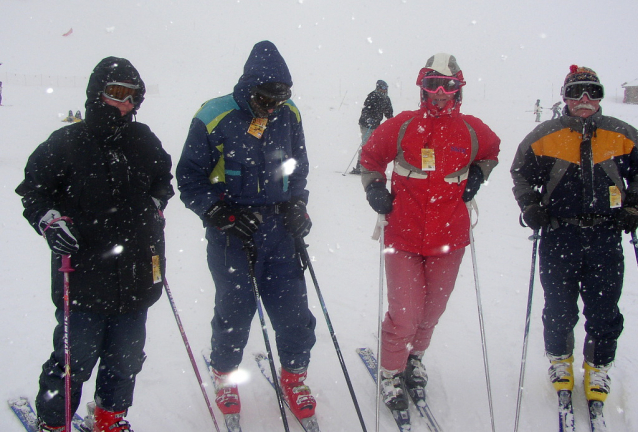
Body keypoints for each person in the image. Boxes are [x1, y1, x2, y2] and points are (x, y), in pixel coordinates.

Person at [16, 56, 174, 432]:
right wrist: (49, 221)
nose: (125, 104)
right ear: (96, 93)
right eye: (117, 93)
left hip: (137, 273)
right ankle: (55, 422)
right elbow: (34, 193)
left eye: (133, 97)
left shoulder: (144, 139)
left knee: (126, 358)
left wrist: (156, 201)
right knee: (75, 358)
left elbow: (163, 179)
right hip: (84, 277)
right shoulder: (67, 143)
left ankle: (109, 416)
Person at [176, 41, 317, 425]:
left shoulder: (289, 115)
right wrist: (220, 211)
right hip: (232, 235)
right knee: (235, 313)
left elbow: (298, 167)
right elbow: (188, 178)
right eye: (264, 98)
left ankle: (294, 375)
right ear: (248, 86)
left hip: (279, 231)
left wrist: (297, 204)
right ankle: (225, 374)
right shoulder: (214, 115)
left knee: (294, 313)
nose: (271, 107)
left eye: (279, 98)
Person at [360, 53, 500, 411]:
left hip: (450, 239)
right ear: (421, 88)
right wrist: (375, 185)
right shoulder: (403, 125)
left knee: (430, 312)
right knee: (405, 313)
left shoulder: (470, 129)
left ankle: (415, 359)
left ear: (458, 90)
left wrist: (480, 174)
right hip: (403, 235)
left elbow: (492, 150)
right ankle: (392, 371)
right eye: (432, 84)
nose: (441, 92)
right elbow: (371, 155)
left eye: (449, 85)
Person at [511, 65, 638, 405]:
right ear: (565, 96)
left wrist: (633, 207)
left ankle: (597, 366)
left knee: (603, 308)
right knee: (559, 308)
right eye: (577, 92)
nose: (584, 100)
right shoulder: (546, 135)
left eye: (592, 93)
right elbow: (521, 173)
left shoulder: (622, 133)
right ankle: (560, 361)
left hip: (605, 236)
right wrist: (530, 206)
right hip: (559, 235)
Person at [351, 80, 393, 174]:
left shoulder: (386, 99)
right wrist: (368, 119)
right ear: (378, 88)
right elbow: (365, 110)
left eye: (386, 88)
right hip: (366, 125)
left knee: (374, 146)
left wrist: (392, 122)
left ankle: (371, 165)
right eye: (383, 88)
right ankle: (359, 166)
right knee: (366, 144)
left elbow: (389, 113)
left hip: (376, 125)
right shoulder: (372, 96)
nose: (385, 90)